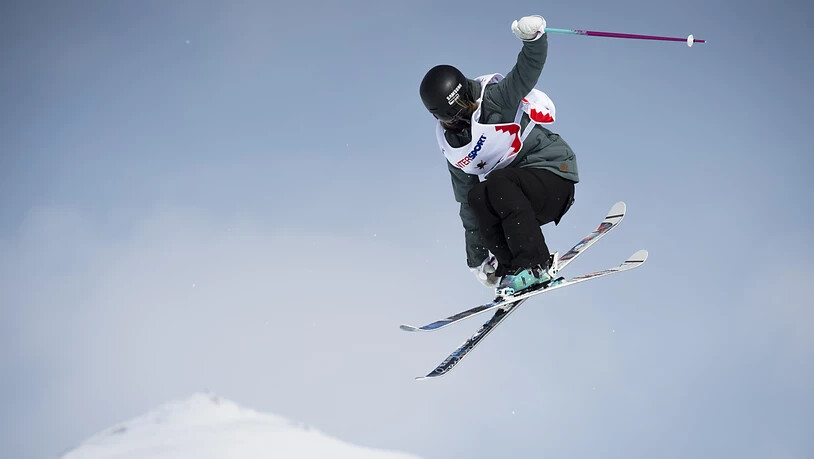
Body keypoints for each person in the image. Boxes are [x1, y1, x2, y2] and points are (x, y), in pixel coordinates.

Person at [419, 14, 579, 296]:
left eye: (463, 112)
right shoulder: (454, 145)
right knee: (477, 196)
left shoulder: (494, 99)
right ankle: (512, 271)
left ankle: (534, 264)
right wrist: (477, 257)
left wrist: (533, 40)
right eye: (452, 120)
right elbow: (466, 205)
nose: (460, 122)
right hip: (522, 199)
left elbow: (525, 72)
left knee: (498, 183)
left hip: (555, 177)